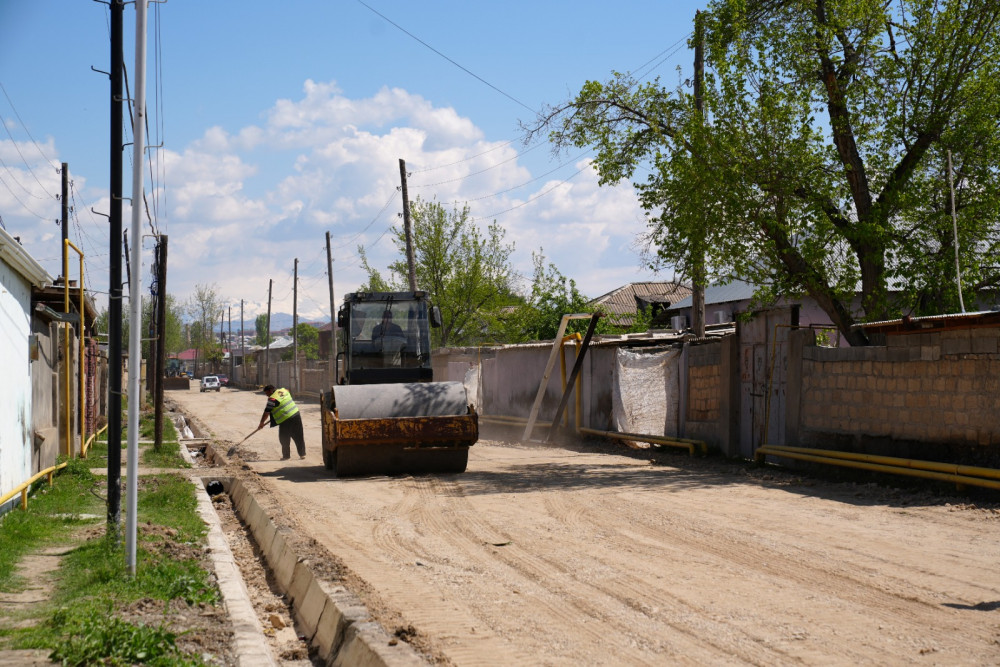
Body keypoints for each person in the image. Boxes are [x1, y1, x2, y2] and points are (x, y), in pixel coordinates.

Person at [256, 384, 306, 460]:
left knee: (284, 438)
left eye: (267, 393)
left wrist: (261, 423)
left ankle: (286, 456)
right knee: (298, 435)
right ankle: (302, 454)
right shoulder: (283, 390)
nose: (267, 395)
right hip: (296, 414)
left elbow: (267, 412)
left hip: (285, 419)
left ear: (270, 391)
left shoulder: (272, 399)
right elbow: (288, 391)